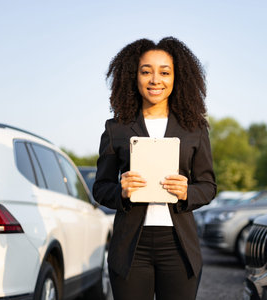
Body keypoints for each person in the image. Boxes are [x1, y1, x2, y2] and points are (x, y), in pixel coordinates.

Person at [93, 36, 217, 300]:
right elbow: (100, 188)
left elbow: (208, 186)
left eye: (165, 72)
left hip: (178, 246)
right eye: (146, 71)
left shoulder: (194, 128)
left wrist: (187, 192)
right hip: (130, 249)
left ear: (177, 77)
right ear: (133, 77)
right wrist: (121, 191)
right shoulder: (116, 128)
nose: (155, 80)